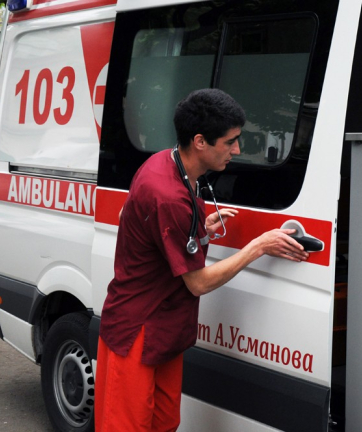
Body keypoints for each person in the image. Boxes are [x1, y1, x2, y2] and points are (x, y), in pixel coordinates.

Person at [94, 89, 308, 432]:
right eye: (230, 141)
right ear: (199, 142)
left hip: (165, 328)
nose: (237, 150)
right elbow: (198, 283)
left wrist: (195, 230)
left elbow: (131, 218)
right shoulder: (167, 195)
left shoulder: (165, 163)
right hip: (137, 329)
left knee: (165, 422)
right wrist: (258, 246)